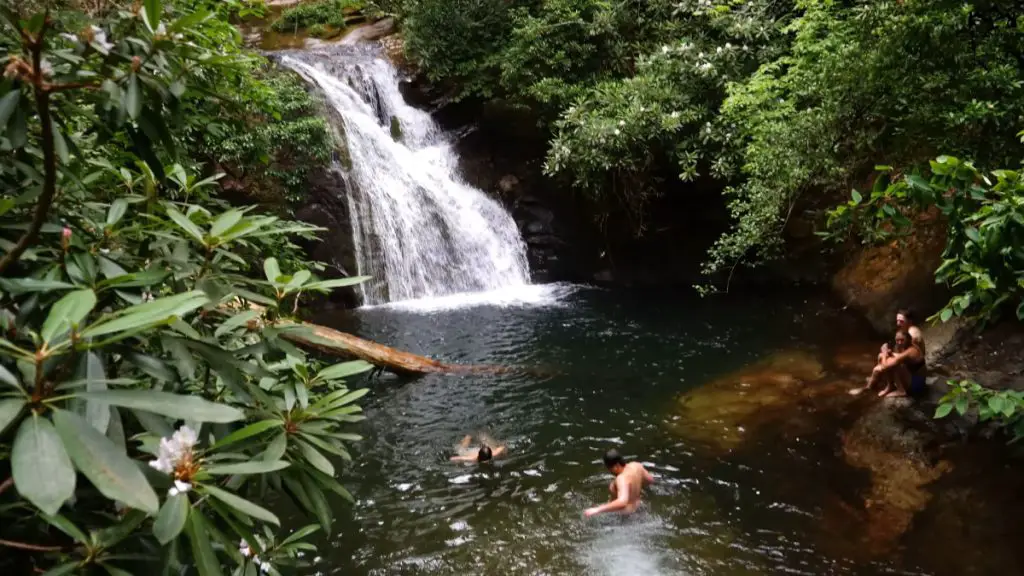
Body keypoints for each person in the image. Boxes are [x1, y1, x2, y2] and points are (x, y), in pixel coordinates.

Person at [851, 330, 926, 397]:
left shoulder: (911, 350)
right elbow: (899, 358)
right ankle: (889, 385)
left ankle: (901, 391)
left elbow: (886, 366)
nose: (899, 343)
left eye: (902, 340)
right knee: (883, 357)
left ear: (908, 339)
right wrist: (887, 353)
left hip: (917, 385)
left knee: (891, 363)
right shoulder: (907, 345)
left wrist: (884, 352)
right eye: (897, 340)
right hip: (914, 377)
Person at [584, 449, 654, 517]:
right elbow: (650, 480)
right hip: (639, 507)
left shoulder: (622, 478)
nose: (610, 471)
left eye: (609, 468)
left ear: (616, 465)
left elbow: (622, 502)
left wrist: (597, 509)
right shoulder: (636, 466)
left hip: (623, 516)